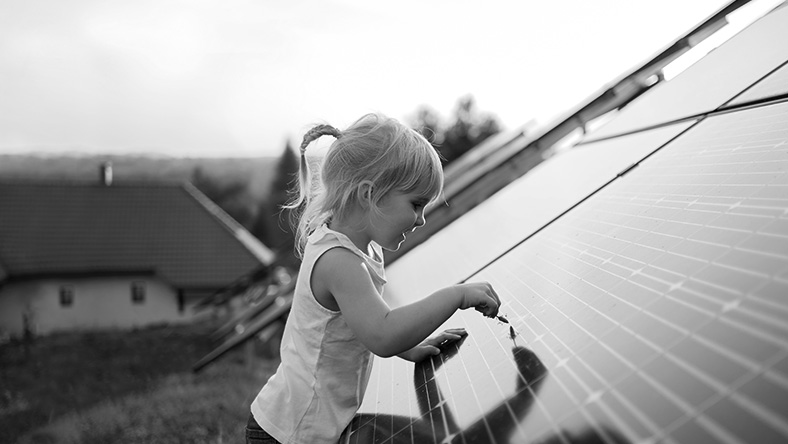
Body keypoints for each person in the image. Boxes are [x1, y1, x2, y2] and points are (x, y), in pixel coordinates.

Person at [246, 113, 501, 444]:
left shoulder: (359, 250)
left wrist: (410, 347)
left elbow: (364, 323)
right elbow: (381, 334)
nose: (421, 219)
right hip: (289, 433)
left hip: (308, 428)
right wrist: (455, 296)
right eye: (416, 204)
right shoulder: (339, 261)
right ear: (370, 194)